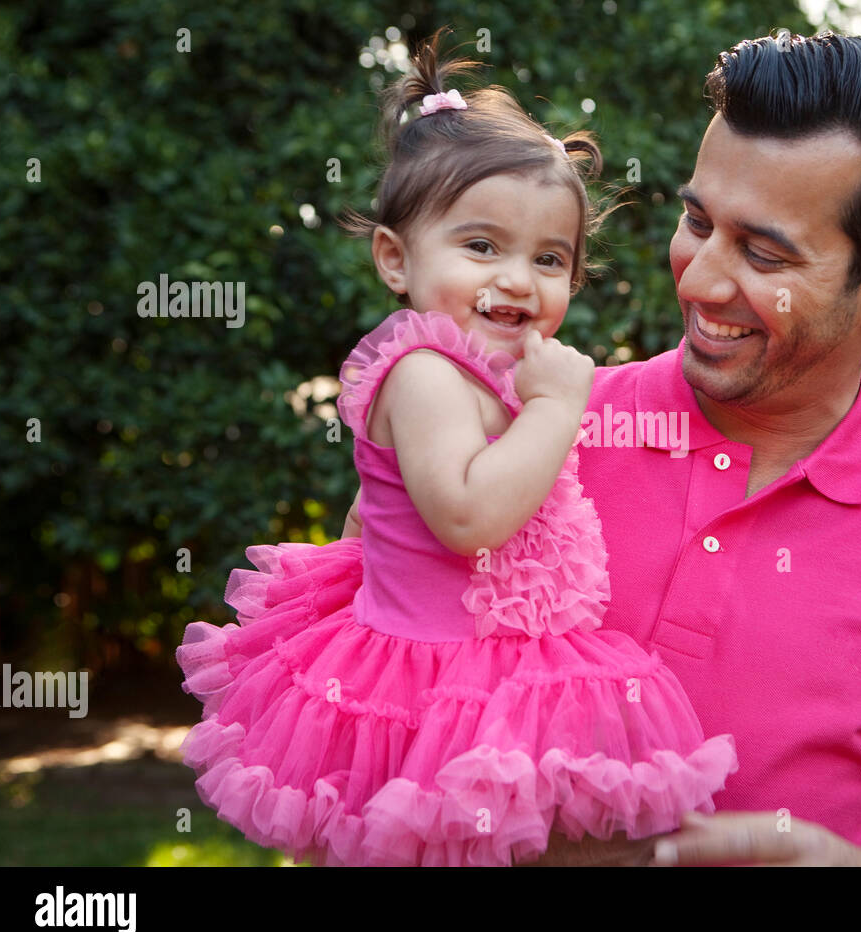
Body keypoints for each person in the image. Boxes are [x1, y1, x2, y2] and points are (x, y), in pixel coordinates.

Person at [345, 30, 861, 867]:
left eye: (764, 253)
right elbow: (351, 741)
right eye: (696, 221)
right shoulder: (504, 435)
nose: (698, 280)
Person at [175, 30, 737, 867]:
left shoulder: (485, 377)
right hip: (434, 676)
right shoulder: (428, 372)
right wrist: (556, 411)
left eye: (549, 258)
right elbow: (470, 517)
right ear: (396, 259)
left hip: (494, 670)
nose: (516, 278)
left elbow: (373, 511)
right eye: (481, 246)